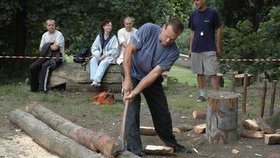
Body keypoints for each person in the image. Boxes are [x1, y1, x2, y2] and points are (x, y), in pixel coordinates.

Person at [122, 18, 192, 156]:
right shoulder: (148, 29)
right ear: (163, 27)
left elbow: (153, 74)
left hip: (150, 78)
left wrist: (136, 91)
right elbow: (128, 50)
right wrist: (128, 79)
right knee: (132, 109)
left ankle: (171, 143)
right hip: (132, 71)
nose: (167, 41)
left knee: (162, 112)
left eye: (172, 39)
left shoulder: (173, 52)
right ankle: (135, 150)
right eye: (167, 36)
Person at [188, 0, 222, 102]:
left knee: (212, 73)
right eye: (194, 0)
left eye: (197, 0)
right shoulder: (193, 15)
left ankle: (216, 97)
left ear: (204, 0)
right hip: (196, 48)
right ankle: (202, 95)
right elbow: (191, 32)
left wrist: (218, 46)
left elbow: (219, 29)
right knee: (199, 73)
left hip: (209, 48)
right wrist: (190, 49)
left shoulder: (212, 13)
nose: (195, 2)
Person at [29, 19, 65, 93]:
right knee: (32, 67)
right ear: (46, 26)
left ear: (55, 26)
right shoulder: (44, 35)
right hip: (45, 56)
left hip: (57, 57)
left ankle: (43, 89)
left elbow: (56, 48)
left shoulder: (59, 34)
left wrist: (46, 46)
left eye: (52, 25)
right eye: (49, 25)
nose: (51, 27)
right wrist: (51, 44)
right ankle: (34, 89)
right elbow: (40, 49)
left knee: (45, 66)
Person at [89, 19, 119, 87]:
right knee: (93, 60)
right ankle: (94, 80)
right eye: (107, 25)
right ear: (104, 27)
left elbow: (115, 50)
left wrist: (105, 55)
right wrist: (98, 55)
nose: (109, 27)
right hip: (99, 56)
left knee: (103, 62)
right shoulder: (100, 36)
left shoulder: (113, 37)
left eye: (111, 25)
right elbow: (94, 47)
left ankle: (96, 81)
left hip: (109, 57)